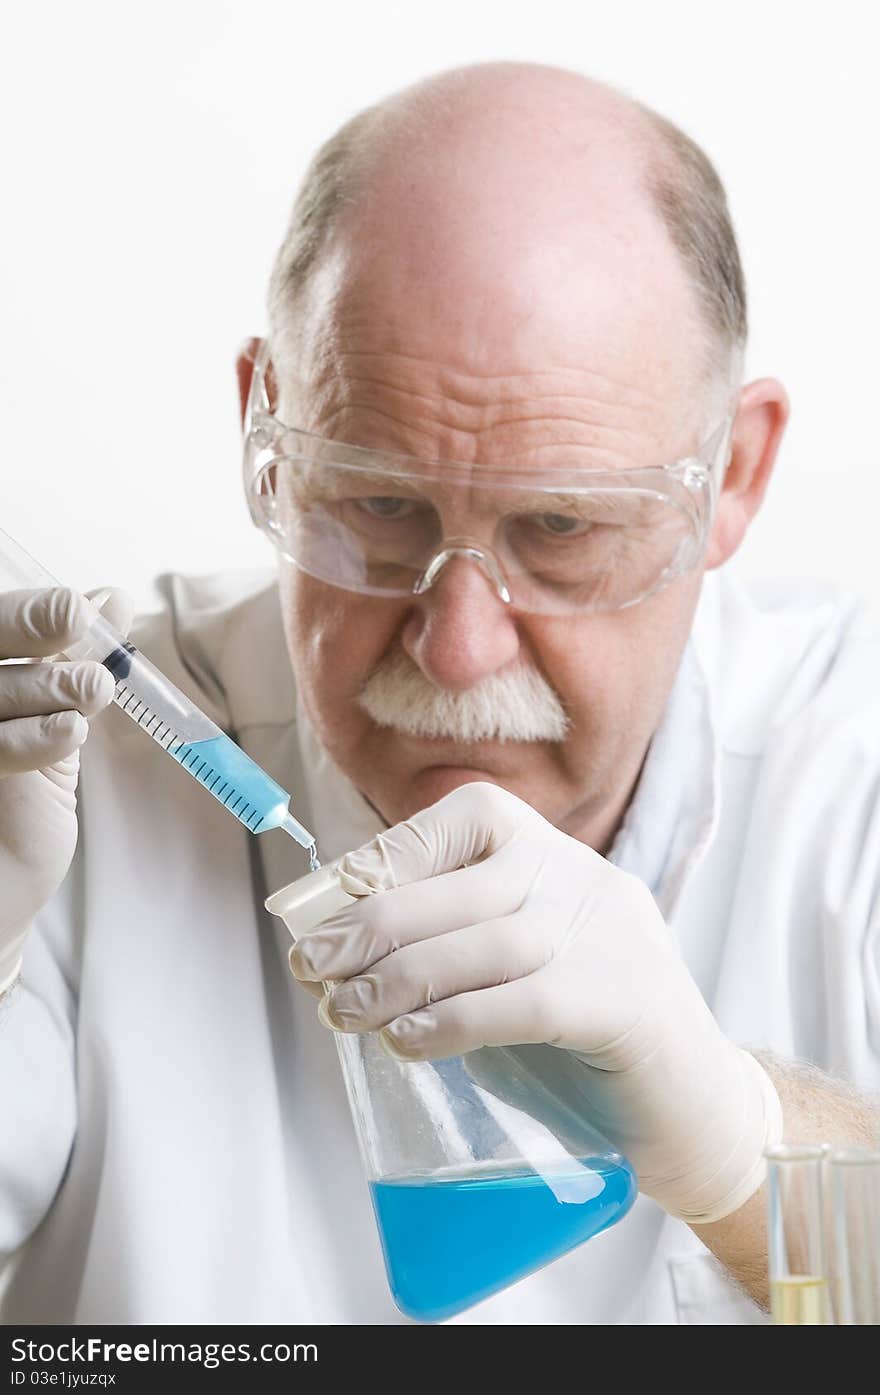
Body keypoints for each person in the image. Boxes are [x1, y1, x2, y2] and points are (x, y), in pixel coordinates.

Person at [1, 62, 878, 1327]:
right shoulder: (58, 777)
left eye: (563, 526)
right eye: (377, 505)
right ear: (265, 414)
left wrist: (739, 1147)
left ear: (731, 474)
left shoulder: (846, 775)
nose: (457, 648)